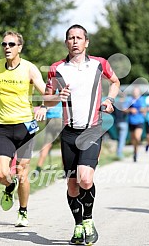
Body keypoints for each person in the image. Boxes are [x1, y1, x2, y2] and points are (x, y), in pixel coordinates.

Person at [42, 24, 120, 245]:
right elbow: (47, 99)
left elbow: (115, 82)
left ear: (86, 42)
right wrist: (58, 96)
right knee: (72, 185)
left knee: (86, 179)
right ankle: (77, 225)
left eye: (79, 37)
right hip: (68, 133)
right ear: (66, 42)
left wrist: (109, 99)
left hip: (92, 128)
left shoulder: (99, 64)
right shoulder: (56, 69)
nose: (74, 41)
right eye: (70, 38)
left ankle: (88, 219)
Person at [0, 31, 46, 227]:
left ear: (19, 48)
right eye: (4, 44)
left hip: (25, 127)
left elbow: (47, 93)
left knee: (22, 171)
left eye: (11, 44)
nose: (7, 47)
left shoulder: (29, 69)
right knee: (1, 174)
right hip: (2, 127)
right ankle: (10, 186)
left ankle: (23, 212)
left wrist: (43, 106)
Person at [34, 102, 62, 174]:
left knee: (46, 144)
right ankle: (65, 169)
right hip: (60, 118)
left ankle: (38, 168)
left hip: (50, 119)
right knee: (63, 145)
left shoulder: (48, 91)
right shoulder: (62, 91)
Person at [124, 86, 145, 162]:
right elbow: (124, 109)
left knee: (137, 137)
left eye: (137, 92)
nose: (135, 93)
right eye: (134, 91)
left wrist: (142, 110)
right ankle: (135, 151)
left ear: (139, 93)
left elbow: (144, 109)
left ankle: (136, 151)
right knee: (133, 139)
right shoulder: (130, 99)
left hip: (139, 121)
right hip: (131, 121)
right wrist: (130, 110)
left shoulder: (142, 99)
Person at [112, 92, 128, 159]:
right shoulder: (125, 105)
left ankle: (117, 152)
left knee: (118, 138)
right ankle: (119, 154)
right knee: (122, 139)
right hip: (123, 123)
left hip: (116, 123)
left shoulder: (116, 104)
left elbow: (112, 113)